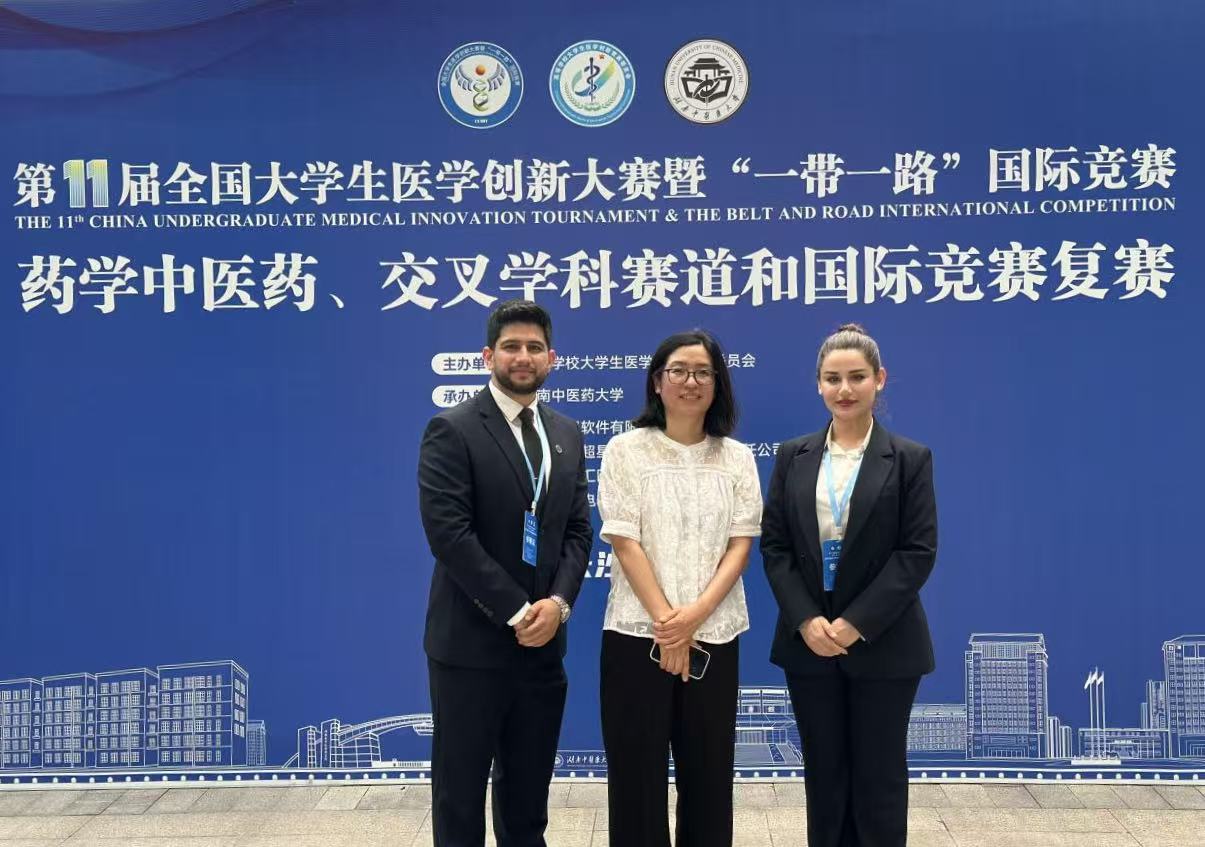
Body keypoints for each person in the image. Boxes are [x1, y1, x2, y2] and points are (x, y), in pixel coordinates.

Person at [417, 299, 593, 847]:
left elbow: (578, 532)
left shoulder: (566, 433)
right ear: (488, 355)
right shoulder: (453, 429)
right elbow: (450, 535)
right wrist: (518, 612)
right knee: (460, 800)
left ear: (552, 359)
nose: (523, 356)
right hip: (470, 648)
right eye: (511, 346)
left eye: (535, 347)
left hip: (543, 649)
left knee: (527, 802)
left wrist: (557, 607)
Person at [761, 323, 938, 847]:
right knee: (825, 776)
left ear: (879, 379)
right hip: (809, 642)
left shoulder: (909, 458)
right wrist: (806, 620)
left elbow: (916, 552)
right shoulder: (793, 455)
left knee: (879, 778)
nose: (844, 389)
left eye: (857, 377)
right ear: (818, 383)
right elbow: (776, 547)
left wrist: (856, 623)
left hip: (885, 642)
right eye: (833, 378)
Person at [597, 330, 762, 847]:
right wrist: (669, 625)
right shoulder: (626, 450)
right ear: (657, 381)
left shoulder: (736, 457)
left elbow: (740, 545)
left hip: (714, 636)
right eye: (679, 371)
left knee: (709, 778)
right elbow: (624, 541)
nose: (691, 382)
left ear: (718, 383)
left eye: (703, 372)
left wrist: (693, 618)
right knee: (636, 780)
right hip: (636, 636)